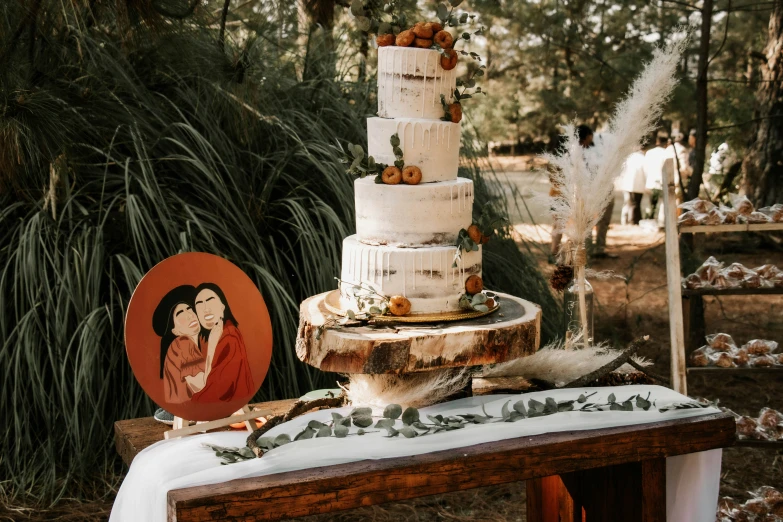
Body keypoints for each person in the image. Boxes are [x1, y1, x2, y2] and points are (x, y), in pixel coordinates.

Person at [191, 282, 255, 403]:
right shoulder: (211, 336)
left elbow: (220, 390)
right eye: (199, 304)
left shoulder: (229, 337)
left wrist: (189, 405)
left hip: (227, 405)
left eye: (210, 300)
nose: (205, 308)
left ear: (223, 305)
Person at [550, 124, 599, 256]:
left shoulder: (570, 151)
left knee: (561, 225)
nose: (592, 138)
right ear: (587, 136)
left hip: (562, 193)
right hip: (568, 194)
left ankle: (558, 253)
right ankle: (561, 254)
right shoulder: (576, 152)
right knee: (566, 225)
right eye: (591, 135)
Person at [152, 285, 206, 404]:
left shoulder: (188, 345)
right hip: (187, 412)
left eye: (190, 309)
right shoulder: (183, 344)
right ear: (174, 330)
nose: (189, 315)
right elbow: (200, 386)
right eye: (180, 313)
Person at [643, 134, 670, 224]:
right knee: (662, 203)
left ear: (657, 142)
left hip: (651, 181)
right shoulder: (666, 153)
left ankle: (649, 221)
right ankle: (661, 222)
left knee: (651, 204)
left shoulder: (649, 152)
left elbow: (645, 168)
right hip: (661, 182)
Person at [617, 146, 646, 225]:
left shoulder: (629, 157)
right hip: (638, 185)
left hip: (627, 184)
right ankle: (633, 221)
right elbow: (645, 172)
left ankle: (624, 220)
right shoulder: (642, 158)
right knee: (635, 204)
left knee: (628, 203)